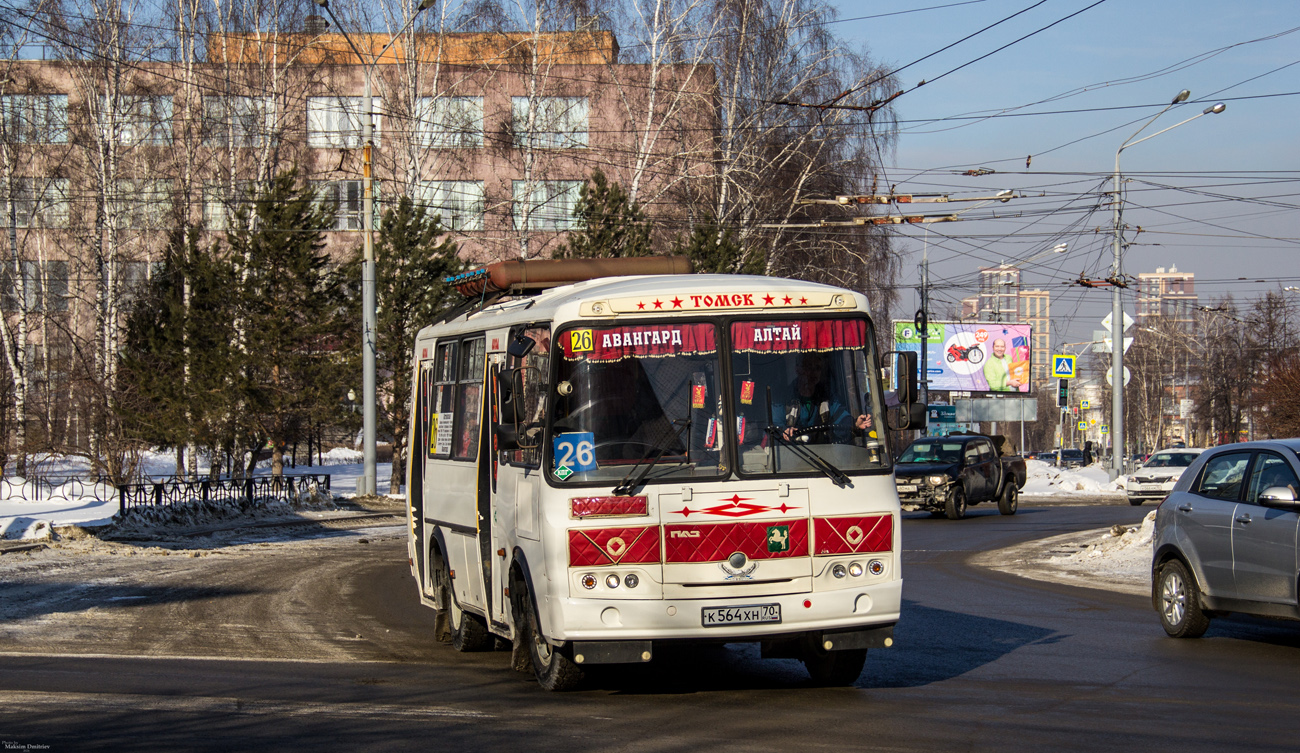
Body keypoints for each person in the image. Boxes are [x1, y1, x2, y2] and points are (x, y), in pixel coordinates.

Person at [780, 352, 871, 442]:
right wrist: (784, 430)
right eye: (808, 367)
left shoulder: (827, 397)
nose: (813, 372)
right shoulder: (784, 397)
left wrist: (855, 424)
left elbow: (840, 417)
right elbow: (775, 424)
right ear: (798, 369)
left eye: (817, 368)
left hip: (824, 452)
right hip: (790, 452)